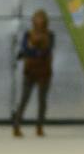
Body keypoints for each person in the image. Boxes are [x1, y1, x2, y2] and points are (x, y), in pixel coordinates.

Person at [12, 9, 54, 137]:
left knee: (42, 100)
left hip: (44, 71)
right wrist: (33, 50)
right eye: (37, 18)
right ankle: (16, 126)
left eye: (41, 18)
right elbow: (24, 50)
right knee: (24, 98)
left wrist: (32, 49)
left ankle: (39, 127)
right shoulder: (27, 34)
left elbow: (46, 51)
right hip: (30, 71)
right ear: (33, 20)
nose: (39, 21)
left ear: (45, 21)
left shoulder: (50, 35)